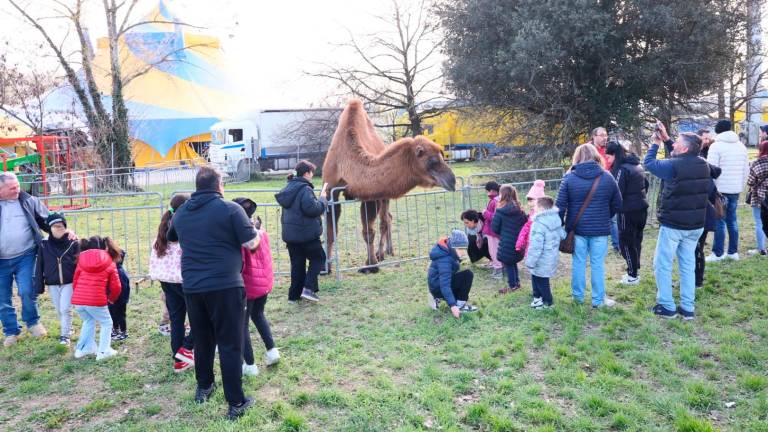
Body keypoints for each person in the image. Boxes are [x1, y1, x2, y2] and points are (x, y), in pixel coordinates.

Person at [167, 167, 257, 420]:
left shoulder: (183, 211)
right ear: (218, 185)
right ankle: (236, 402)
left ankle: (204, 387)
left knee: (203, 340)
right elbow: (252, 243)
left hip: (193, 288)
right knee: (230, 343)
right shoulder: (231, 209)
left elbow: (172, 237)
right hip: (226, 286)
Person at [1, 171, 72, 347]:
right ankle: (11, 332)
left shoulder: (28, 201)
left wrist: (64, 231)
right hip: (1, 261)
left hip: (26, 255)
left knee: (27, 290)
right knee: (2, 298)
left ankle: (33, 323)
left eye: (18, 185)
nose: (17, 189)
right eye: (12, 188)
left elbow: (49, 220)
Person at [645, 132, 711, 319]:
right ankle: (687, 307)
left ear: (685, 148)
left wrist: (655, 144)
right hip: (695, 224)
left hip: (674, 224)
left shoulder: (673, 165)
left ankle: (666, 305)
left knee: (662, 265)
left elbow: (649, 164)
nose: (673, 146)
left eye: (677, 143)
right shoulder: (704, 165)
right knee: (687, 265)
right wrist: (666, 139)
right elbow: (682, 158)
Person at [556, 144, 622, 308]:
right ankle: (598, 300)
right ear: (595, 156)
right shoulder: (607, 177)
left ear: (577, 157)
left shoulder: (569, 178)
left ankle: (578, 298)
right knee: (597, 264)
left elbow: (560, 206)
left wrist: (560, 227)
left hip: (577, 230)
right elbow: (618, 203)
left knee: (578, 263)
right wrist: (605, 217)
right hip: (600, 229)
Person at [233, 197, 280, 377]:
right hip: (264, 283)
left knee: (241, 325)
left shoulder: (240, 237)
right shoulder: (261, 231)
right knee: (259, 315)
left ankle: (250, 365)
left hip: (248, 285)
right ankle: (272, 351)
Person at [150, 193, 195, 373]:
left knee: (176, 320)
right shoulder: (184, 226)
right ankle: (186, 348)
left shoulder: (163, 227)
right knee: (200, 319)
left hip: (166, 281)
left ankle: (178, 358)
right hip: (184, 281)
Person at [275, 160, 328, 303]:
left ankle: (294, 296)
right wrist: (323, 199)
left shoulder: (289, 188)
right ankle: (308, 289)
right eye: (311, 172)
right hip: (307, 235)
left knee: (297, 265)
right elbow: (312, 209)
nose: (312, 175)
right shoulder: (305, 189)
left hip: (291, 236)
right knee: (319, 258)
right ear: (306, 173)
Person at [604, 142, 649, 285]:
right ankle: (635, 269)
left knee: (626, 243)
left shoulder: (621, 170)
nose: (607, 160)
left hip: (627, 212)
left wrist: (609, 210)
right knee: (636, 241)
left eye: (608, 157)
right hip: (641, 209)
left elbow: (616, 192)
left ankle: (632, 275)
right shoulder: (637, 165)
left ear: (614, 155)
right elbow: (646, 184)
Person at [71, 236, 122, 360]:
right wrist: (111, 299)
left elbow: (75, 281)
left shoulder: (81, 259)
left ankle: (82, 349)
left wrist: (79, 296)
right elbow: (116, 286)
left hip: (78, 300)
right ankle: (103, 352)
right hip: (96, 300)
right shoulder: (109, 260)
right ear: (105, 246)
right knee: (106, 323)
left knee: (88, 321)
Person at [706, 120, 749, 262]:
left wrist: (711, 189)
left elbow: (711, 170)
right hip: (735, 189)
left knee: (719, 221)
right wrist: (740, 186)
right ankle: (733, 252)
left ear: (718, 131)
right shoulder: (741, 146)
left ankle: (718, 253)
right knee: (732, 220)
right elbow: (745, 170)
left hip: (720, 190)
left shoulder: (716, 146)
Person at [35, 213, 80, 345]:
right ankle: (69, 328)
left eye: (61, 226)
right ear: (50, 228)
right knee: (59, 309)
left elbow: (80, 264)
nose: (58, 228)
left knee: (65, 308)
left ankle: (64, 336)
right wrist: (39, 285)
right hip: (52, 283)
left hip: (69, 282)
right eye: (55, 226)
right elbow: (39, 265)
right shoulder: (44, 244)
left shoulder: (74, 243)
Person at [525, 197, 566, 309]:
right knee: (536, 275)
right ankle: (537, 298)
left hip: (540, 257)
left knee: (542, 280)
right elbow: (563, 235)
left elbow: (536, 246)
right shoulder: (555, 219)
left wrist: (530, 260)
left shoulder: (538, 223)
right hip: (551, 256)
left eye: (536, 206)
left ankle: (548, 303)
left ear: (541, 208)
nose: (534, 207)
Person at [427, 229, 478, 317]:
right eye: (460, 249)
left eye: (464, 248)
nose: (463, 252)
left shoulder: (450, 251)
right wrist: (453, 306)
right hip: (439, 287)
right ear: (453, 247)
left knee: (467, 274)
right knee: (467, 275)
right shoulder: (444, 260)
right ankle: (451, 303)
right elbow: (445, 285)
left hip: (440, 283)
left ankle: (459, 304)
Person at [491, 184, 528, 294]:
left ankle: (513, 286)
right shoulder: (520, 209)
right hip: (518, 241)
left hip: (507, 241)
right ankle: (516, 283)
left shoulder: (500, 211)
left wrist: (504, 232)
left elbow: (494, 228)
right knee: (513, 262)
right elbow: (525, 223)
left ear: (502, 195)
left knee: (509, 263)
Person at [695, 167, 723, 289]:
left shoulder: (704, 177)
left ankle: (698, 280)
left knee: (697, 250)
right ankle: (695, 279)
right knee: (695, 250)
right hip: (700, 217)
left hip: (701, 218)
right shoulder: (707, 175)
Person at [746, 140, 768, 256]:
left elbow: (750, 182)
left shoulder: (757, 162)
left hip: (760, 196)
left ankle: (761, 249)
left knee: (760, 222)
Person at [515, 180, 547, 256]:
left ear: (539, 200)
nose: (529, 202)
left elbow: (526, 228)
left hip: (537, 242)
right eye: (528, 200)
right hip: (532, 241)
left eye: (531, 200)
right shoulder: (533, 212)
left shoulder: (541, 214)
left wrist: (520, 243)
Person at [481, 181, 503, 278]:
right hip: (497, 231)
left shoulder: (495, 201)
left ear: (492, 190)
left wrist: (485, 213)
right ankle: (502, 266)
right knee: (498, 249)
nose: (487, 193)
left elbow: (495, 217)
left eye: (488, 191)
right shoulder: (499, 200)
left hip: (492, 231)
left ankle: (498, 271)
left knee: (494, 251)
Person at [109, 252, 130, 341]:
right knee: (112, 314)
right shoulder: (113, 270)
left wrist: (121, 299)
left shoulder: (120, 272)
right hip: (112, 298)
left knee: (120, 315)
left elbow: (124, 288)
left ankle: (123, 331)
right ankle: (115, 329)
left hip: (120, 300)